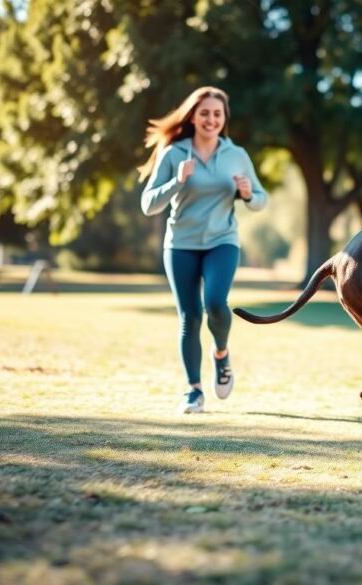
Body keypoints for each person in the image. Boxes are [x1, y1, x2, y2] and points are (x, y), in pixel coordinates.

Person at [138, 86, 267, 414]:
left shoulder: (236, 154)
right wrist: (176, 181)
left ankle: (221, 354)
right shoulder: (174, 154)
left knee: (215, 303)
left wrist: (249, 193)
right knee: (190, 317)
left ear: (224, 119)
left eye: (217, 114)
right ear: (193, 117)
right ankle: (193, 391)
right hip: (180, 245)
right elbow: (148, 204)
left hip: (222, 241)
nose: (211, 119)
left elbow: (261, 201)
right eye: (205, 113)